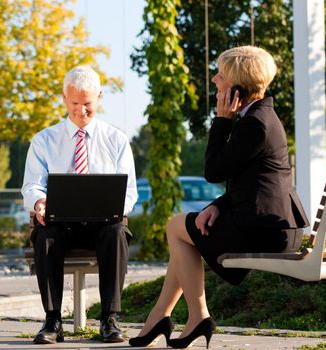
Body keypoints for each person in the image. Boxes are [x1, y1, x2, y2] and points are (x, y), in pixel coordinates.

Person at [128, 46, 309, 349]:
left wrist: (222, 120)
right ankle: (159, 317)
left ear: (237, 87)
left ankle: (197, 315)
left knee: (176, 227)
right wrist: (216, 205)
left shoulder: (255, 124)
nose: (214, 80)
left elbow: (212, 170)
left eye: (221, 76)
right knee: (188, 233)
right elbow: (257, 181)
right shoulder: (262, 117)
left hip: (263, 231)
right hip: (273, 227)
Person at [21, 66, 138, 344]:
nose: (81, 111)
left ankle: (109, 320)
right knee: (46, 236)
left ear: (99, 97)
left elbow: (129, 192)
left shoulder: (117, 140)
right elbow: (31, 185)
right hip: (60, 224)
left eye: (87, 104)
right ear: (64, 98)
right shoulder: (44, 141)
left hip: (103, 224)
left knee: (117, 233)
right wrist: (39, 201)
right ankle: (53, 321)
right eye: (75, 103)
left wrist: (120, 207)